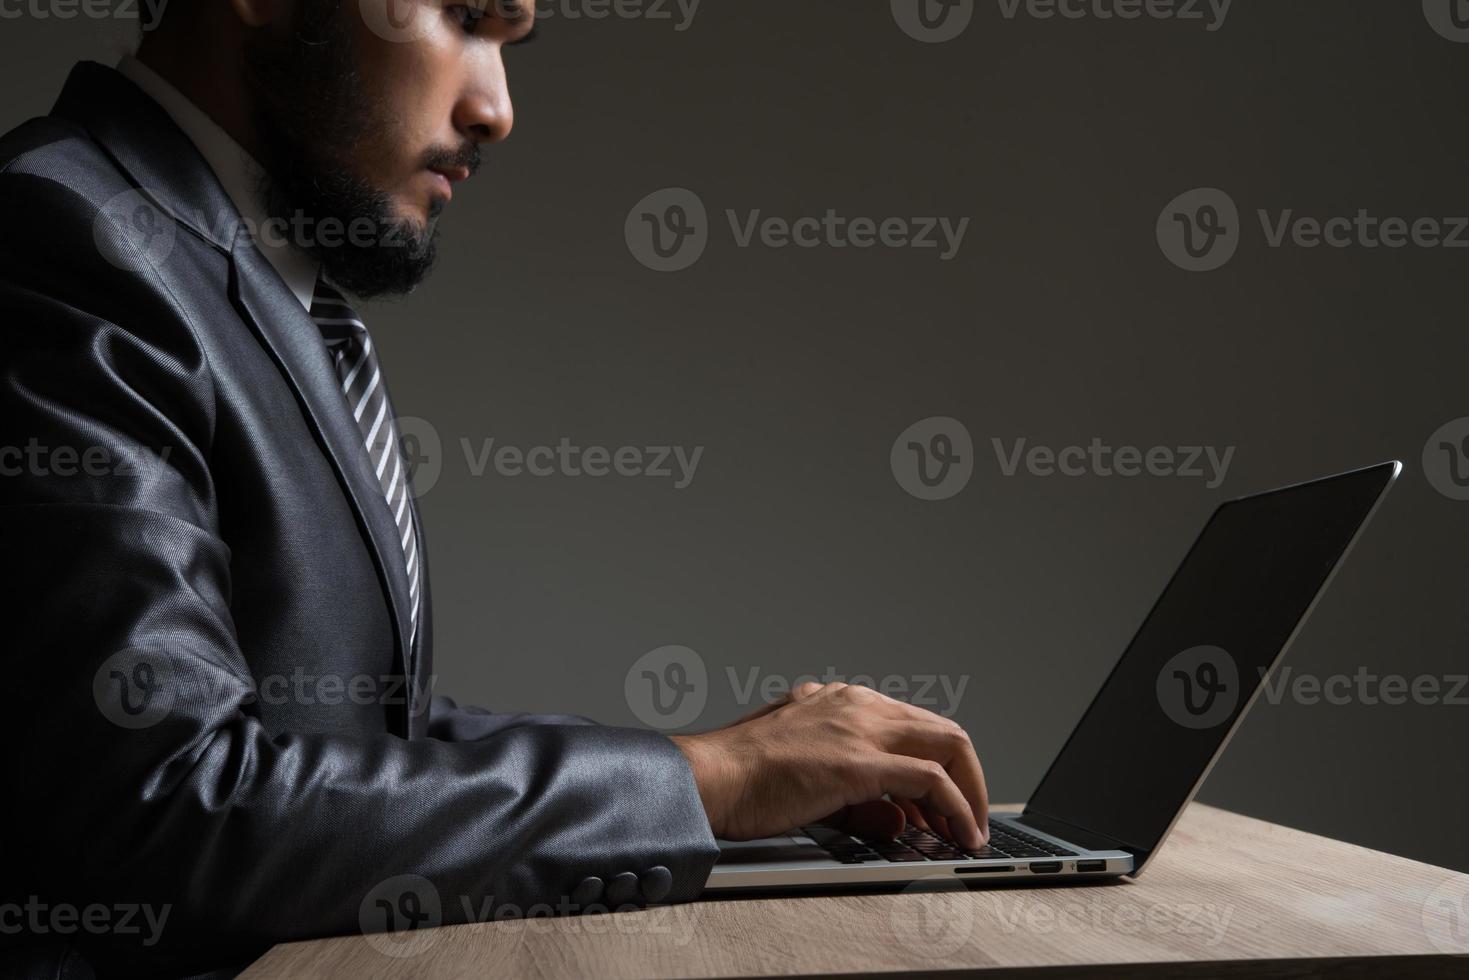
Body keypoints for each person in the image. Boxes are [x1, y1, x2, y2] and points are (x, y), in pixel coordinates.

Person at [0, 2, 988, 975]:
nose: (497, 109)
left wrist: (734, 771)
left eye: (513, 40)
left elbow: (340, 729)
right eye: (465, 16)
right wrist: (706, 779)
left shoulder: (247, 271)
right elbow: (168, 802)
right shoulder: (65, 238)